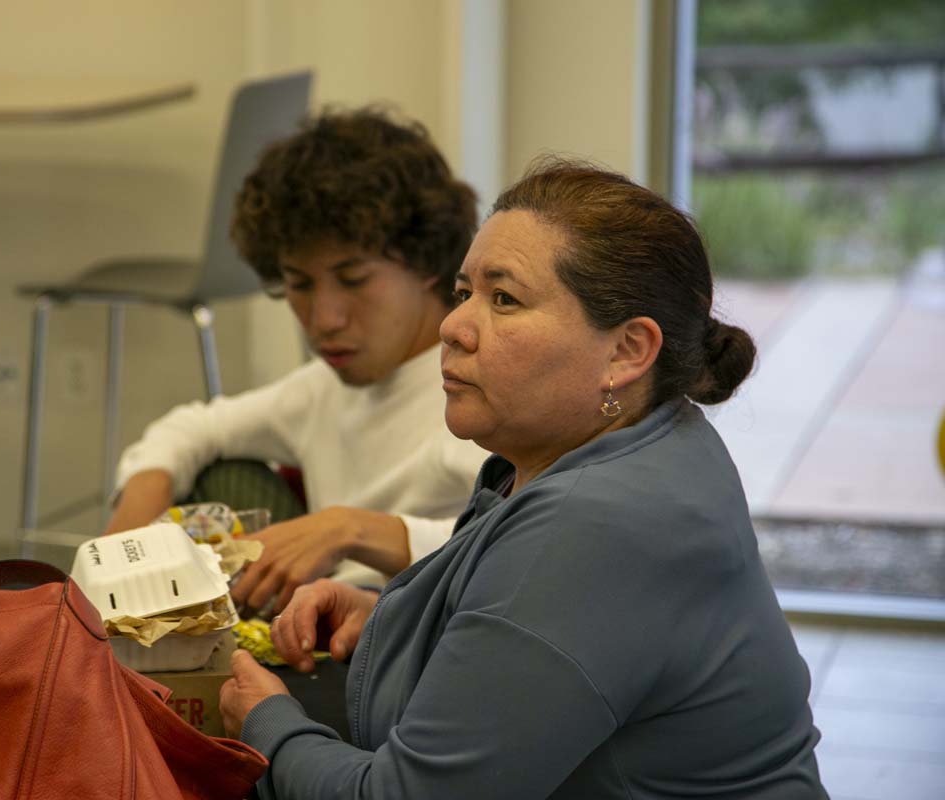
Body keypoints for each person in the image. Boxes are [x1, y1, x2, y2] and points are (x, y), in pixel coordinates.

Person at [220, 158, 828, 799]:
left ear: (626, 351)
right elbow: (560, 650)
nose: (453, 327)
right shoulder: (658, 436)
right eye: (464, 293)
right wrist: (394, 621)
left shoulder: (595, 525)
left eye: (504, 299)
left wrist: (268, 722)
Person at [104, 108, 489, 613]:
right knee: (215, 478)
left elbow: (519, 545)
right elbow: (193, 428)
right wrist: (122, 542)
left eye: (353, 279)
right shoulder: (320, 391)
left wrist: (345, 528)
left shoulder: (479, 393)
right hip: (311, 631)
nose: (323, 319)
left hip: (413, 636)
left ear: (425, 263)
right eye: (299, 284)